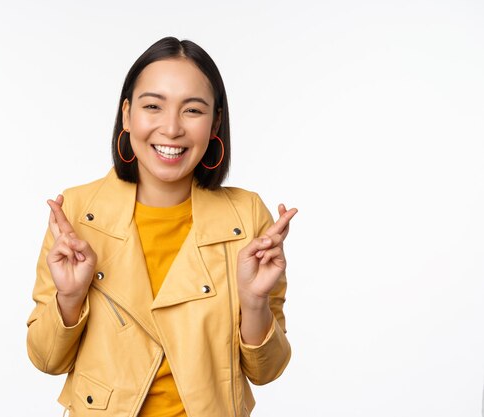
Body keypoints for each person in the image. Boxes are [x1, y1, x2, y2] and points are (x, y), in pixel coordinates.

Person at [26, 36, 298, 416]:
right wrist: (69, 299)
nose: (171, 129)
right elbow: (45, 359)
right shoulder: (77, 212)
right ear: (126, 114)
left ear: (215, 121)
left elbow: (267, 370)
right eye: (153, 106)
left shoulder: (247, 216)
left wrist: (254, 303)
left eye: (193, 110)